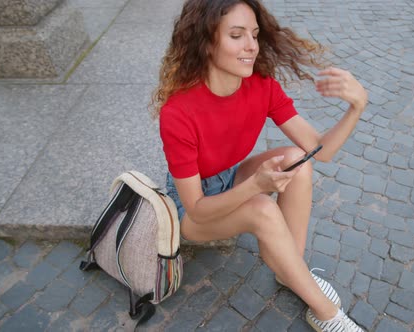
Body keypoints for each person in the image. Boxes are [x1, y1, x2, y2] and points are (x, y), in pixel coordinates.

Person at [151, 0, 368, 330]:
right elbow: (197, 210)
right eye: (236, 35)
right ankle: (327, 314)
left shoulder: (261, 86)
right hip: (191, 211)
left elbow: (319, 151)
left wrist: (356, 107)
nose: (251, 46)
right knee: (262, 210)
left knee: (297, 161)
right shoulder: (178, 112)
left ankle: (289, 271)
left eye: (254, 34)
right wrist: (255, 187)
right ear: (206, 42)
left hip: (229, 178)